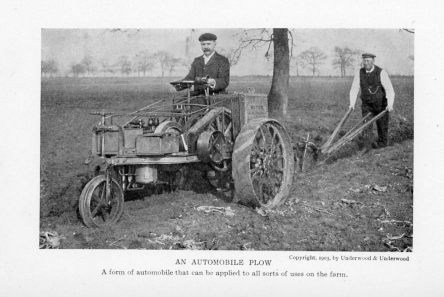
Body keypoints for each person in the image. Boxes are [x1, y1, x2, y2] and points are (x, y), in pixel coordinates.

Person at [349, 53, 395, 149]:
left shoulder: (381, 72)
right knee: (366, 126)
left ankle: (382, 145)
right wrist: (352, 104)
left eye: (368, 61)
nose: (366, 63)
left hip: (381, 104)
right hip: (367, 105)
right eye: (364, 61)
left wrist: (390, 104)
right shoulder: (359, 73)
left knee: (382, 127)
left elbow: (389, 89)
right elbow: (354, 88)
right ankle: (367, 146)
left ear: (373, 61)